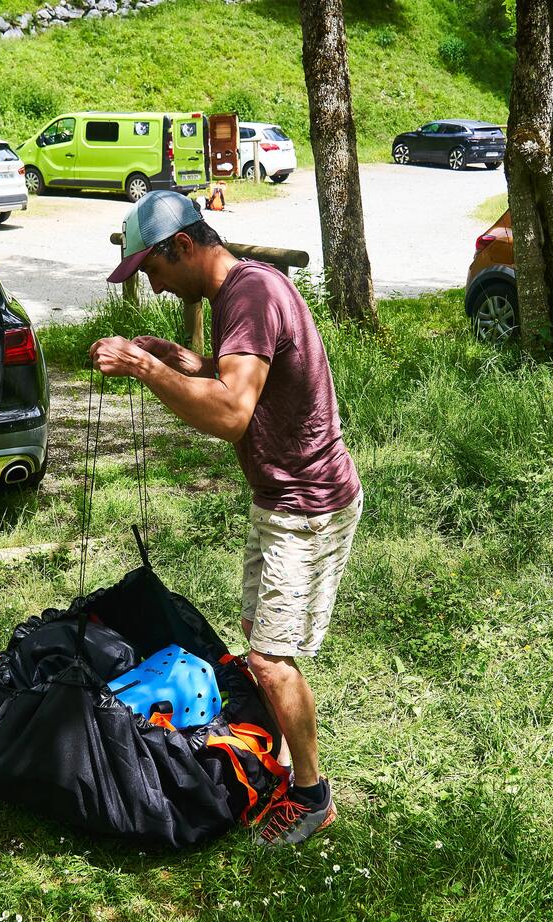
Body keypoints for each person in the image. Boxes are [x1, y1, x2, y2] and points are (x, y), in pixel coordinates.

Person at [89, 190, 362, 847]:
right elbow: (238, 377)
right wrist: (185, 364)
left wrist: (145, 368)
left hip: (307, 503)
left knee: (268, 659)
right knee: (259, 636)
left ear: (183, 246)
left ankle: (311, 795)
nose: (152, 286)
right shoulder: (239, 293)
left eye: (152, 270)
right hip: (281, 499)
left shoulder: (249, 294)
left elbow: (232, 414)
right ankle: (278, 760)